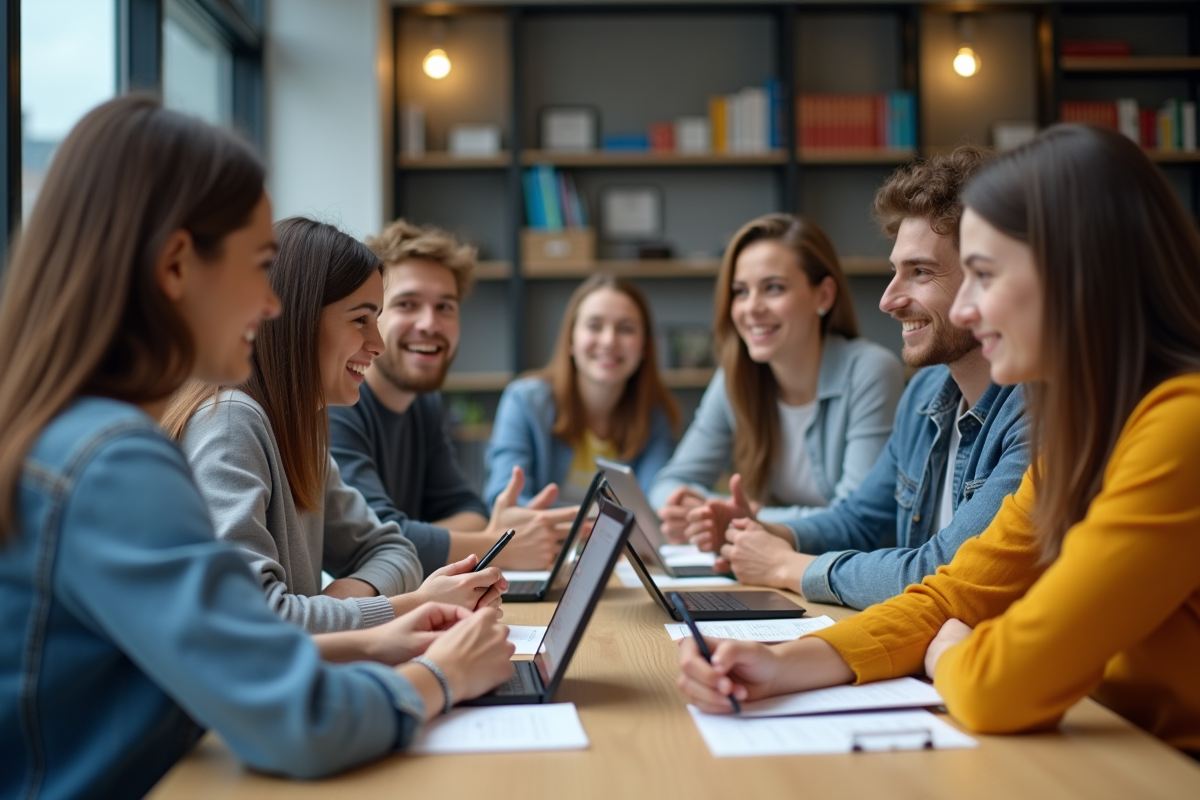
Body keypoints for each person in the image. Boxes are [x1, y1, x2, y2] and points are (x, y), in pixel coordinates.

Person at [0, 96, 514, 799]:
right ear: (178, 265)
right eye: (257, 265)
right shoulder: (114, 462)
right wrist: (444, 674)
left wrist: (375, 638)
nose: (272, 305)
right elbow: (300, 720)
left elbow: (220, 652)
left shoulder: (67, 436)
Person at [676, 125, 1200, 759]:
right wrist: (786, 665)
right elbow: (956, 593)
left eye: (986, 276)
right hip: (1112, 751)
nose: (971, 310)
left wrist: (953, 651)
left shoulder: (1179, 429)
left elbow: (997, 685)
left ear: (1074, 273)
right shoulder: (1084, 430)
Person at [716, 147, 1029, 610]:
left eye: (919, 272)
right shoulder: (925, 392)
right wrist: (769, 533)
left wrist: (786, 566)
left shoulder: (1036, 410)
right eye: (893, 272)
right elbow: (863, 521)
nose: (887, 300)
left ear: (988, 277)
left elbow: (942, 573)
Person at [164, 217, 506, 635]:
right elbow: (252, 622)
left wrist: (343, 599)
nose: (376, 344)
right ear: (298, 317)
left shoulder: (301, 429)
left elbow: (395, 549)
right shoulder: (232, 422)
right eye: (360, 319)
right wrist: (413, 606)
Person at [330, 220, 576, 577]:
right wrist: (500, 544)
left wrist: (435, 537)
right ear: (373, 316)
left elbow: (469, 509)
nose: (430, 323)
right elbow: (370, 538)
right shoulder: (337, 404)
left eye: (445, 306)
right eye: (407, 304)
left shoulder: (423, 402)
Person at [649, 214, 904, 547]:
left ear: (823, 296)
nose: (751, 308)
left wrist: (743, 516)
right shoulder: (734, 376)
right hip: (771, 567)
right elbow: (669, 483)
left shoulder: (870, 371)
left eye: (773, 288)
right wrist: (693, 508)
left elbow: (856, 519)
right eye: (741, 292)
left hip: (843, 576)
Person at [484, 273, 680, 508]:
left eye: (626, 329)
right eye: (594, 326)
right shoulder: (525, 401)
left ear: (645, 347)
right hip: (542, 545)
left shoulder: (655, 415)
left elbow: (653, 506)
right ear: (571, 340)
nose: (609, 341)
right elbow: (505, 501)